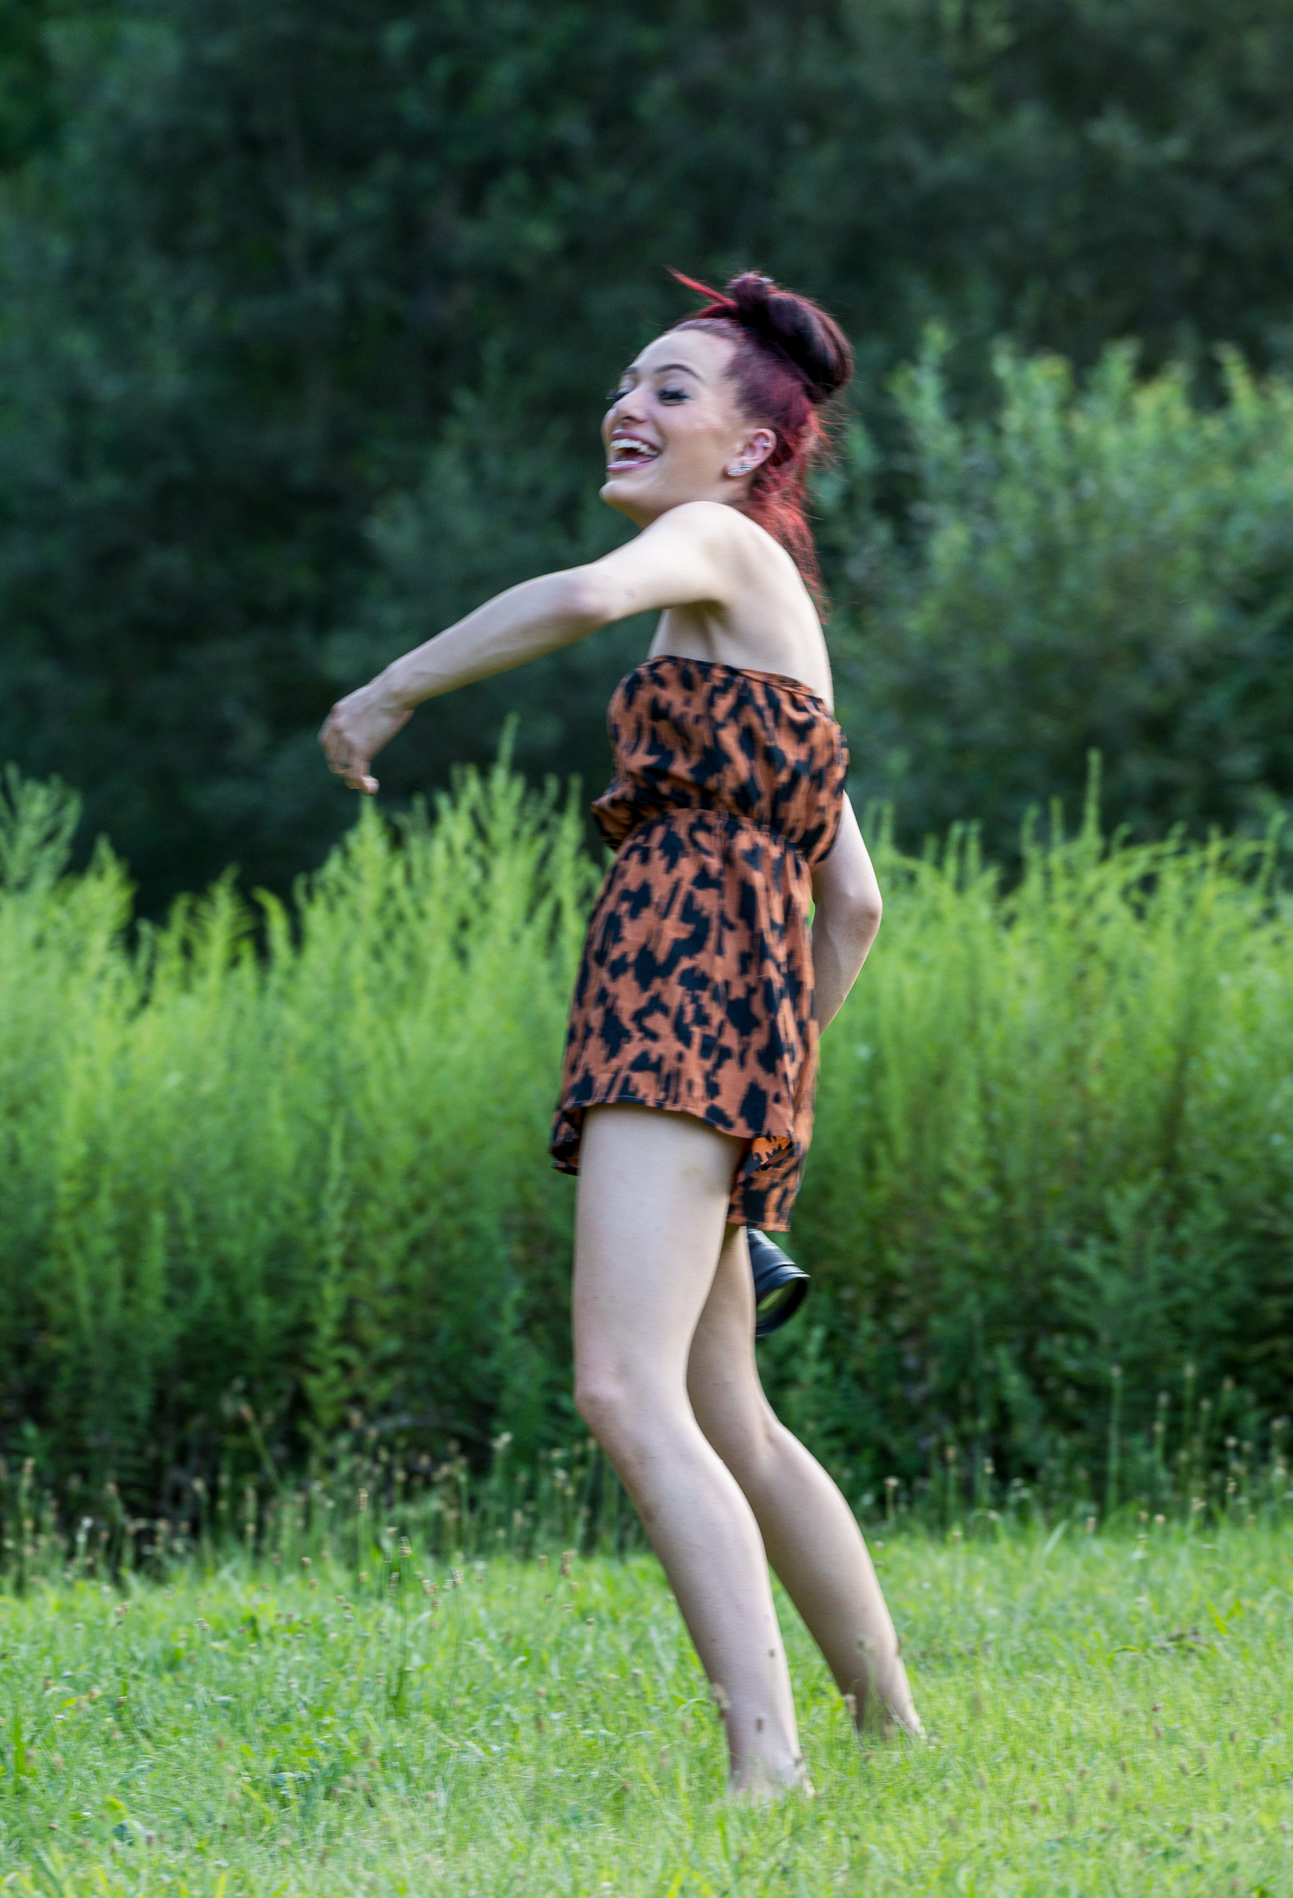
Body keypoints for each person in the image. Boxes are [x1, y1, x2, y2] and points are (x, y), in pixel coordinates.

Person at [317, 270, 926, 1798]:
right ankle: (891, 1730)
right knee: (726, 1408)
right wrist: (772, 1066)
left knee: (624, 1389)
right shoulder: (771, 629)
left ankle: (767, 1767)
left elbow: (581, 596)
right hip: (742, 1002)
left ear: (752, 447)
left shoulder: (712, 545)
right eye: (624, 383)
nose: (627, 406)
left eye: (669, 388)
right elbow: (853, 905)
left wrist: (389, 691)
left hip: (680, 984)